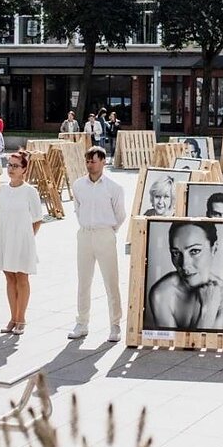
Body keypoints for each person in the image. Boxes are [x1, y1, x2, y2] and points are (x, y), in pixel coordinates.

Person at [67, 146, 127, 342]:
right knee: (83, 281)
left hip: (105, 234)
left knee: (111, 281)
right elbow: (78, 208)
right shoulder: (78, 185)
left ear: (103, 162)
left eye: (93, 161)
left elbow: (120, 214)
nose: (89, 165)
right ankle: (82, 322)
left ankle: (115, 324)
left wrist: (110, 231)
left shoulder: (114, 187)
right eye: (87, 161)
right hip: (85, 235)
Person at [147, 221, 223, 332]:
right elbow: (169, 344)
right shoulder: (162, 292)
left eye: (194, 251)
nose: (184, 264)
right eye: (176, 253)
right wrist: (207, 312)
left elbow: (206, 345)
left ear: (214, 249)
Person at [0, 149, 43, 335]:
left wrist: (28, 238)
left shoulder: (30, 191)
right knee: (9, 277)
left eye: (15, 166)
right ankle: (12, 318)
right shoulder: (2, 189)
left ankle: (21, 318)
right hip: (5, 237)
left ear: (24, 169)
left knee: (22, 277)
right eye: (9, 165)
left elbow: (37, 219)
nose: (11, 169)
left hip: (22, 239)